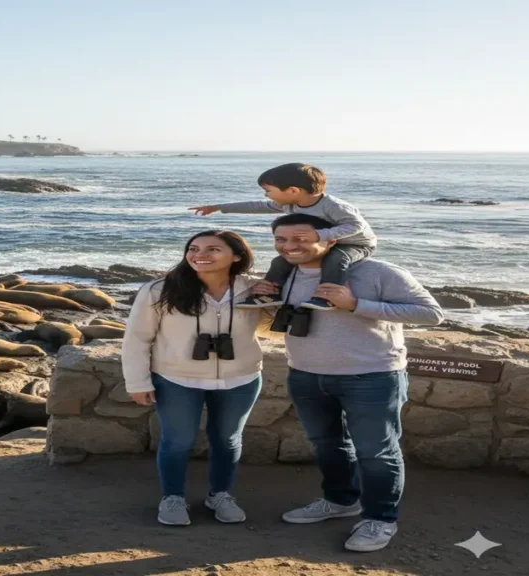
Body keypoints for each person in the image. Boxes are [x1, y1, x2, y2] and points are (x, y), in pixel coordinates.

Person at [256, 213, 444, 552]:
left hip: (371, 376)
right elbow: (277, 318)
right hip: (305, 374)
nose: (289, 246)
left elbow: (431, 313)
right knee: (327, 444)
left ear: (330, 238)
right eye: (281, 240)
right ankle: (341, 501)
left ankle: (380, 519)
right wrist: (261, 298)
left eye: (300, 238)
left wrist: (356, 304)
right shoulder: (285, 274)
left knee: (377, 452)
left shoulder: (378, 272)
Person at [122, 230, 270, 527]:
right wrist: (137, 382)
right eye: (193, 248)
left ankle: (220, 495)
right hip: (176, 378)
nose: (200, 254)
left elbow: (270, 328)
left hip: (240, 378)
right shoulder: (160, 290)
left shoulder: (253, 289)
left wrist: (271, 299)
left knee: (227, 441)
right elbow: (137, 339)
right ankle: (173, 497)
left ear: (237, 256)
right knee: (177, 441)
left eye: (213, 249)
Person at [189, 163, 377, 312]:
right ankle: (269, 294)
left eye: (269, 190)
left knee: (336, 259)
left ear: (293, 190)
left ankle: (327, 297)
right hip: (321, 244)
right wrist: (219, 207)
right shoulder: (289, 204)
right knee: (280, 261)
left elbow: (356, 225)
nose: (266, 195)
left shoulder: (333, 206)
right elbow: (257, 206)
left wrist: (319, 235)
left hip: (355, 243)